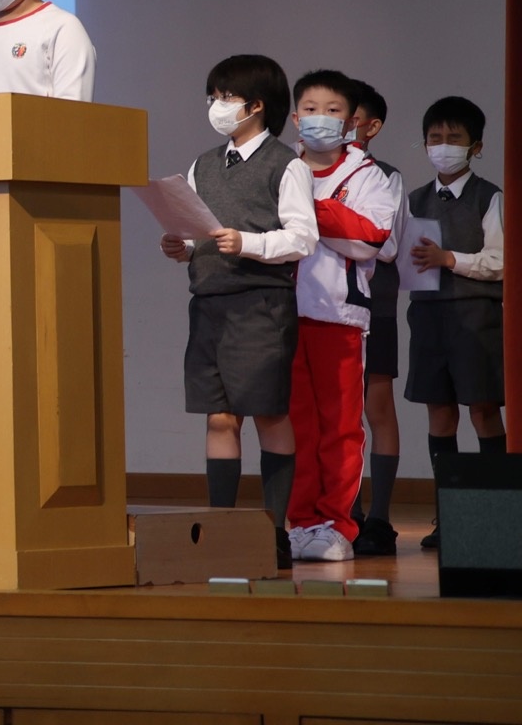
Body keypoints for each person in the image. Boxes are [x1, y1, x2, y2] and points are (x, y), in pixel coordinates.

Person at [160, 54, 312, 571]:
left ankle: (276, 532)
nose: (217, 106)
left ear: (256, 105)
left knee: (269, 412)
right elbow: (195, 229)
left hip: (261, 304)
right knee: (220, 415)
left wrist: (249, 242)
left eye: (226, 97)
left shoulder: (285, 164)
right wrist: (182, 246)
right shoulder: (203, 164)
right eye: (213, 97)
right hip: (209, 304)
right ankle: (221, 529)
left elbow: (303, 238)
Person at [283, 70, 395, 563]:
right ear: (295, 118)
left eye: (332, 111)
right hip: (283, 316)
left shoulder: (367, 175)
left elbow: (370, 238)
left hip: (339, 316)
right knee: (298, 426)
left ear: (351, 122)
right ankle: (302, 521)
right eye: (310, 109)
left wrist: (307, 208)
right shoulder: (282, 168)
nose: (320, 119)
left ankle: (337, 525)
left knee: (341, 427)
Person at [405, 94, 508, 550]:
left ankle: (496, 517)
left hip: (476, 316)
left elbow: (500, 263)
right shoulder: (414, 200)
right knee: (440, 413)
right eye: (435, 137)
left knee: (483, 410)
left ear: (476, 147)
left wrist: (449, 259)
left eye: (454, 137)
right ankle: (449, 519)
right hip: (428, 317)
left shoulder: (490, 197)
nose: (443, 145)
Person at [345, 80, 405, 556]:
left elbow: (385, 246)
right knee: (335, 412)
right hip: (322, 306)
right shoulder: (300, 170)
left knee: (376, 406)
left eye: (349, 116)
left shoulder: (386, 176)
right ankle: (344, 512)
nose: (338, 124)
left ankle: (380, 518)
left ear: (372, 126)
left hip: (373, 302)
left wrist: (330, 224)